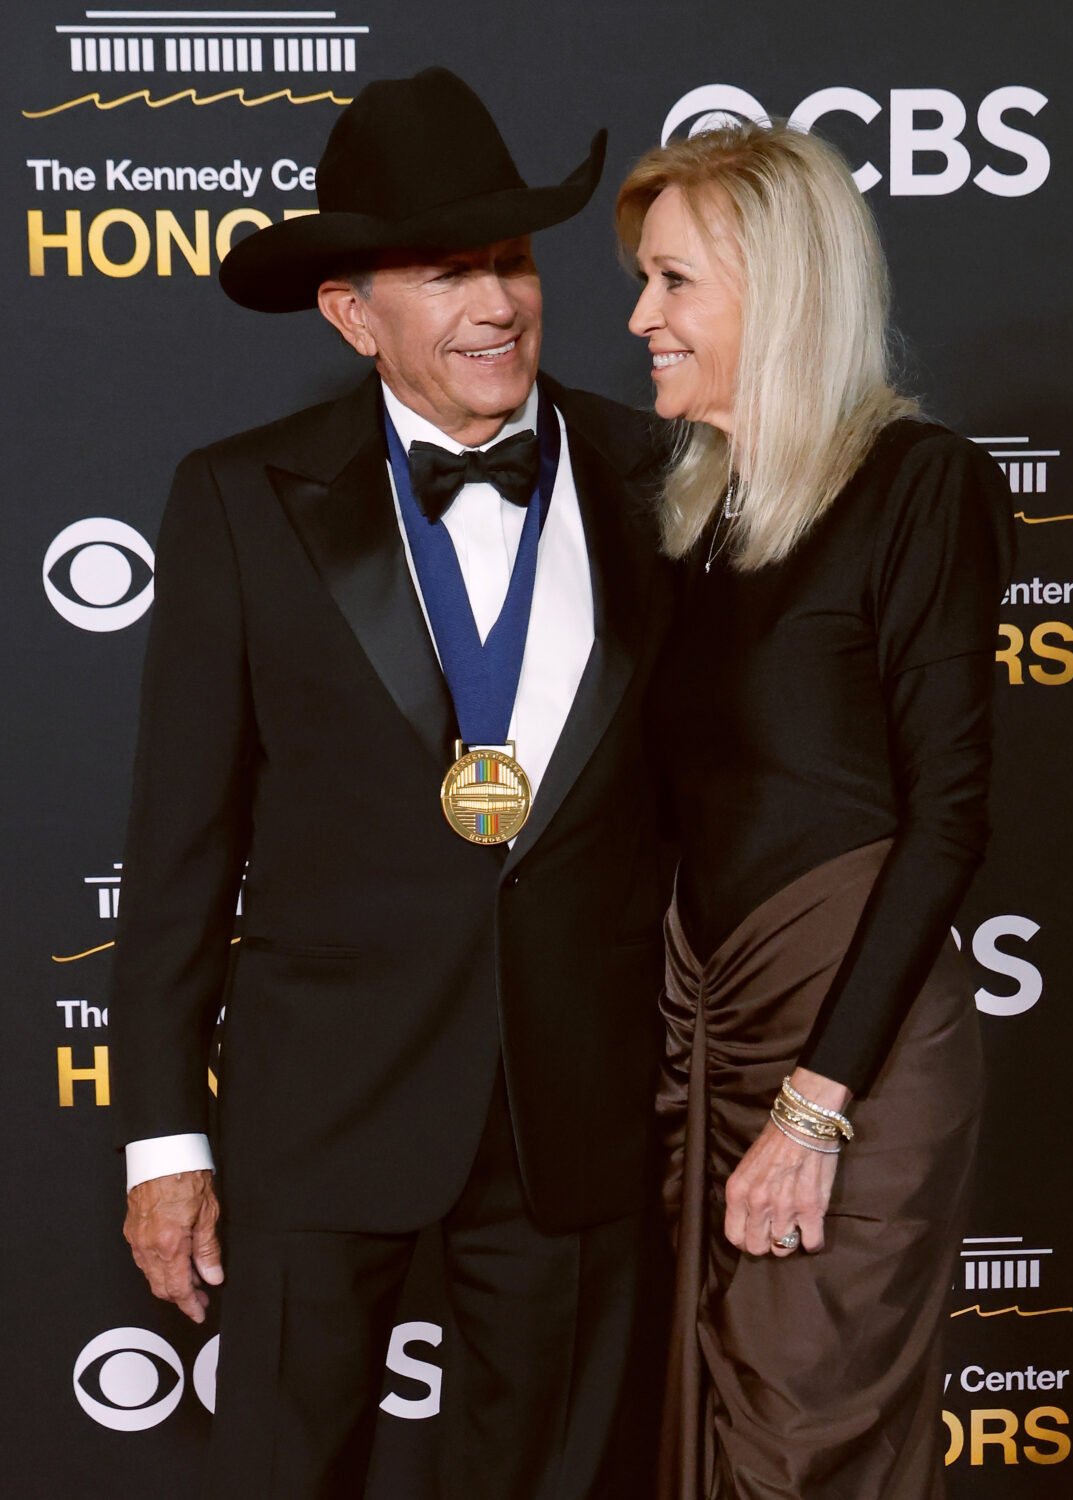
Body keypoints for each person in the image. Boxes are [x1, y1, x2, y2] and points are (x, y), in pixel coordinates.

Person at [111, 68, 673, 1500]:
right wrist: (164, 1136)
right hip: (319, 1113)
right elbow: (180, 845)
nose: (498, 305)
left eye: (511, 261)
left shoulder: (662, 475)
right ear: (353, 315)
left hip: (576, 1112)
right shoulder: (238, 497)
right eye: (445, 274)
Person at [617, 121, 1014, 1498]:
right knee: (690, 1440)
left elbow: (948, 819)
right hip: (704, 1044)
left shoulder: (923, 486)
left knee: (796, 1449)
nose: (639, 317)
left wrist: (816, 1109)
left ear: (775, 290)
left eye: (674, 282)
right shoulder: (694, 519)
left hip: (849, 1057)